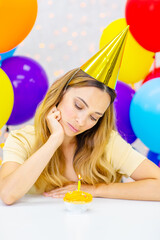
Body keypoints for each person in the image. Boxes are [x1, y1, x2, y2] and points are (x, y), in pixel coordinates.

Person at [0, 27, 160, 205]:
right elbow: (7, 194)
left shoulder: (106, 143)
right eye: (78, 106)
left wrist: (96, 189)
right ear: (60, 94)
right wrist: (54, 140)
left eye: (94, 117)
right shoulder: (22, 139)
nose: (82, 121)